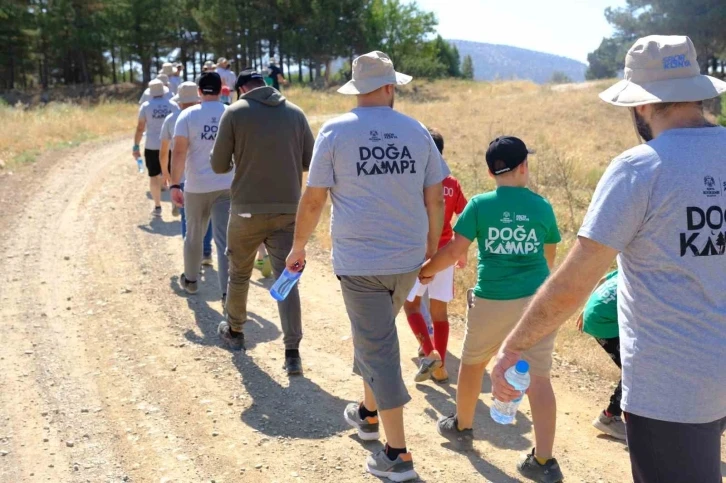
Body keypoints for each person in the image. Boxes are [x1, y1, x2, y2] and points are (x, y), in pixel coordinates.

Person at [490, 35, 726, 483]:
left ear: (639, 105)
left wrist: (513, 347)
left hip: (672, 386)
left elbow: (575, 281)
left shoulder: (641, 168)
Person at [285, 51, 447, 482]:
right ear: (391, 87)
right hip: (408, 259)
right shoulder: (416, 131)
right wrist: (431, 248)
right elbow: (436, 197)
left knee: (377, 345)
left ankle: (397, 455)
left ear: (358, 88)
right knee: (372, 337)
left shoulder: (336, 131)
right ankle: (367, 413)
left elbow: (314, 198)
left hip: (359, 262)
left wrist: (298, 245)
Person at [418, 136, 562, 482]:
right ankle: (544, 462)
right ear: (524, 166)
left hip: (492, 300)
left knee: (473, 363)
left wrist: (426, 270)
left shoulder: (481, 205)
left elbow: (454, 251)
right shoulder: (541, 206)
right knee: (538, 377)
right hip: (535, 304)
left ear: (489, 171)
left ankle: (463, 426)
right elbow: (549, 256)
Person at [210, 68, 314, 374]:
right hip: (288, 210)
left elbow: (218, 165)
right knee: (287, 279)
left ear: (241, 88)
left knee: (239, 273)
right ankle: (292, 352)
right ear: (265, 85)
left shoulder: (234, 113)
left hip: (245, 209)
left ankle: (236, 331)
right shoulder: (295, 114)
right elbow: (310, 160)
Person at [404, 127, 467, 384]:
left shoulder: (416, 181)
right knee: (440, 312)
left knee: (411, 305)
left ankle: (429, 351)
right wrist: (460, 250)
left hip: (418, 253)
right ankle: (440, 367)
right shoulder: (452, 183)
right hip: (446, 253)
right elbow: (464, 212)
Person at [170, 72, 233, 300]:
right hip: (227, 184)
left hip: (196, 186)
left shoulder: (187, 115)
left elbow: (178, 152)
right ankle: (227, 292)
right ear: (221, 89)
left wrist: (175, 184)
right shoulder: (230, 113)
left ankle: (191, 280)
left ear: (199, 92)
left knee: (194, 235)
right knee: (224, 240)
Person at [160, 81, 214, 266]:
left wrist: (167, 174)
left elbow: (166, 150)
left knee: (188, 218)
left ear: (179, 101)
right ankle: (206, 252)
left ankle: (191, 258)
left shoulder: (172, 119)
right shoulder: (207, 115)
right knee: (209, 215)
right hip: (209, 175)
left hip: (183, 177)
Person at [575, 270, 625, 441]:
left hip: (594, 313)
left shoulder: (633, 264)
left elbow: (603, 278)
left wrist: (585, 308)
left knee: (637, 367)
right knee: (637, 369)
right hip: (604, 322)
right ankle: (609, 417)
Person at [134, 78, 176, 217]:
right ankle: (176, 204)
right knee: (173, 176)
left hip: (152, 145)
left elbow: (140, 128)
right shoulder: (173, 105)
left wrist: (135, 145)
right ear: (164, 91)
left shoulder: (146, 106)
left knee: (153, 176)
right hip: (170, 145)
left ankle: (157, 207)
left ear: (150, 92)